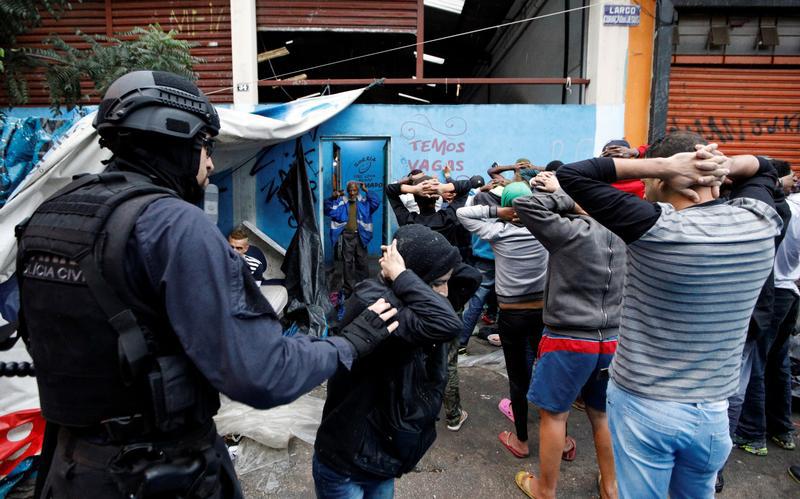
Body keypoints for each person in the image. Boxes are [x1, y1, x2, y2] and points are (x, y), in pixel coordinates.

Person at [15, 70, 399, 499]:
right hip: (160, 473)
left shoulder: (50, 215)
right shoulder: (174, 225)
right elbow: (263, 374)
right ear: (175, 139)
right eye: (204, 146)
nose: (211, 163)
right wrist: (349, 343)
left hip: (68, 467)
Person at [556, 131, 783, 497]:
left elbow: (573, 176)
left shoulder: (657, 229)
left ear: (664, 179)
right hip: (712, 411)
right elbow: (768, 168)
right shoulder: (759, 222)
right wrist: (721, 164)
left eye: (648, 180)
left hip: (646, 405)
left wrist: (663, 164)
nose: (644, 188)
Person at [313, 224, 475, 498]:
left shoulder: (416, 302)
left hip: (383, 458)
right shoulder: (379, 304)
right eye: (438, 283)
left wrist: (410, 274)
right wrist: (401, 274)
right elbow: (448, 323)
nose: (446, 292)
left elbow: (470, 277)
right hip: (348, 462)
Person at [512, 170, 624, 499]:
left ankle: (545, 489)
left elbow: (525, 204)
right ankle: (610, 486)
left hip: (568, 340)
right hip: (612, 340)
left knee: (555, 415)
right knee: (602, 415)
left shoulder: (571, 232)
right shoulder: (625, 231)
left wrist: (566, 197)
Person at [457, 182, 548, 459]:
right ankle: (563, 439)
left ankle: (521, 440)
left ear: (508, 205)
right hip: (544, 314)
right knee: (548, 373)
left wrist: (501, 212)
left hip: (512, 315)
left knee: (517, 379)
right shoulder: (547, 230)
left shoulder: (498, 231)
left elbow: (464, 214)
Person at [385, 174, 480, 432]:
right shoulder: (448, 218)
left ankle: (411, 406)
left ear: (414, 199)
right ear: (438, 199)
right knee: (447, 360)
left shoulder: (409, 221)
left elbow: (390, 191)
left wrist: (416, 187)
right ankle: (452, 415)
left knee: (412, 353)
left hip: (412, 296)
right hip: (445, 300)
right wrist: (439, 187)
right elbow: (466, 187)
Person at [324, 180, 381, 297]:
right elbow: (327, 209)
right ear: (347, 190)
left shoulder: (364, 202)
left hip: (361, 236)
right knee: (347, 262)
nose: (352, 193)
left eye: (354, 190)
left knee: (362, 262)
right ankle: (348, 289)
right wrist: (332, 198)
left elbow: (376, 202)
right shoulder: (341, 202)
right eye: (349, 190)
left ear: (358, 190)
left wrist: (367, 191)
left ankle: (363, 287)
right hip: (347, 236)